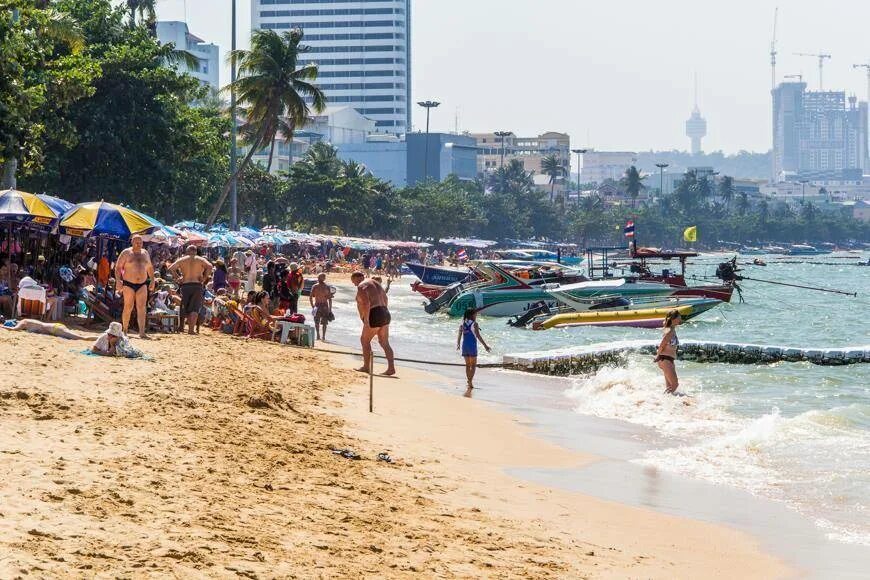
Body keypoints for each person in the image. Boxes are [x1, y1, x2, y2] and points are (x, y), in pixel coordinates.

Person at [351, 272, 395, 376]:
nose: (354, 284)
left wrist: (366, 319)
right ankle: (391, 368)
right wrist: (382, 311)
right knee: (384, 342)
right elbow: (386, 298)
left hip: (374, 313)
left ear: (357, 278)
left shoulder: (362, 286)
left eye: (353, 281)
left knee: (364, 340)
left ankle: (366, 367)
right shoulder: (376, 283)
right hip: (385, 312)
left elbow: (366, 303)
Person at [114, 235, 155, 338]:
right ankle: (125, 331)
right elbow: (118, 267)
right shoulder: (126, 253)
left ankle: (142, 332)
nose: (139, 244)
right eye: (136, 242)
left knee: (142, 308)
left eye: (140, 243)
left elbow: (149, 267)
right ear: (132, 242)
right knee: (128, 306)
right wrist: (118, 281)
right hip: (128, 283)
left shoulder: (145, 253)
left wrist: (152, 280)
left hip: (142, 283)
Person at [168, 245, 213, 335]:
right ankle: (191, 330)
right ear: (195, 251)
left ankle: (181, 328)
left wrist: (178, 278)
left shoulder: (182, 259)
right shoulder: (200, 259)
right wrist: (204, 278)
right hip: (197, 285)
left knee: (184, 306)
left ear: (187, 251)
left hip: (186, 284)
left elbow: (171, 268)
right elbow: (210, 266)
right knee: (194, 307)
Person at [456, 308, 491, 389]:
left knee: (468, 365)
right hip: (472, 346)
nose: (476, 315)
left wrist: (458, 344)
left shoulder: (462, 323)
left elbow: (459, 334)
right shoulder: (475, 324)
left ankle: (469, 381)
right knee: (473, 365)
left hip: (465, 346)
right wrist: (485, 346)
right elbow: (478, 336)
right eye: (475, 314)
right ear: (472, 315)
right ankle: (470, 381)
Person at [655, 309, 682, 394]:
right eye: (679, 317)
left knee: (669, 386)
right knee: (675, 384)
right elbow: (662, 344)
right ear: (674, 319)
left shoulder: (670, 329)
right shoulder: (670, 331)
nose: (680, 319)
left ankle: (666, 402)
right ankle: (663, 399)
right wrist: (657, 356)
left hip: (668, 360)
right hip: (665, 359)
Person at [2, 318, 90, 340]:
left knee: (82, 338)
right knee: (80, 337)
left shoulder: (23, 322)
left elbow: (14, 329)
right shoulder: (27, 321)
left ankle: (100, 338)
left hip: (55, 329)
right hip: (55, 327)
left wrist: (2, 327)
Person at [309, 273, 333, 341]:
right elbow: (330, 298)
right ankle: (320, 336)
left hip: (320, 306)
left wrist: (313, 306)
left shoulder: (316, 286)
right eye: (319, 277)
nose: (319, 279)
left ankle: (321, 336)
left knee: (320, 322)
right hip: (322, 306)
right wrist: (312, 306)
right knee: (321, 322)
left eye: (320, 277)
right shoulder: (324, 286)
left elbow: (311, 297)